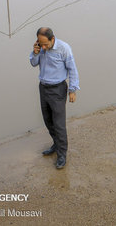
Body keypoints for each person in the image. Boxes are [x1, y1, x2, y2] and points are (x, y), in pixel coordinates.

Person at [29, 27, 80, 169]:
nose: (43, 47)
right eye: (41, 43)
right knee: (48, 120)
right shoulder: (40, 48)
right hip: (43, 88)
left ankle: (62, 154)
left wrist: (72, 90)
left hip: (58, 89)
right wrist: (35, 52)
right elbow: (33, 63)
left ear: (52, 39)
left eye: (45, 44)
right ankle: (56, 144)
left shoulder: (64, 48)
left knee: (59, 124)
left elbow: (72, 69)